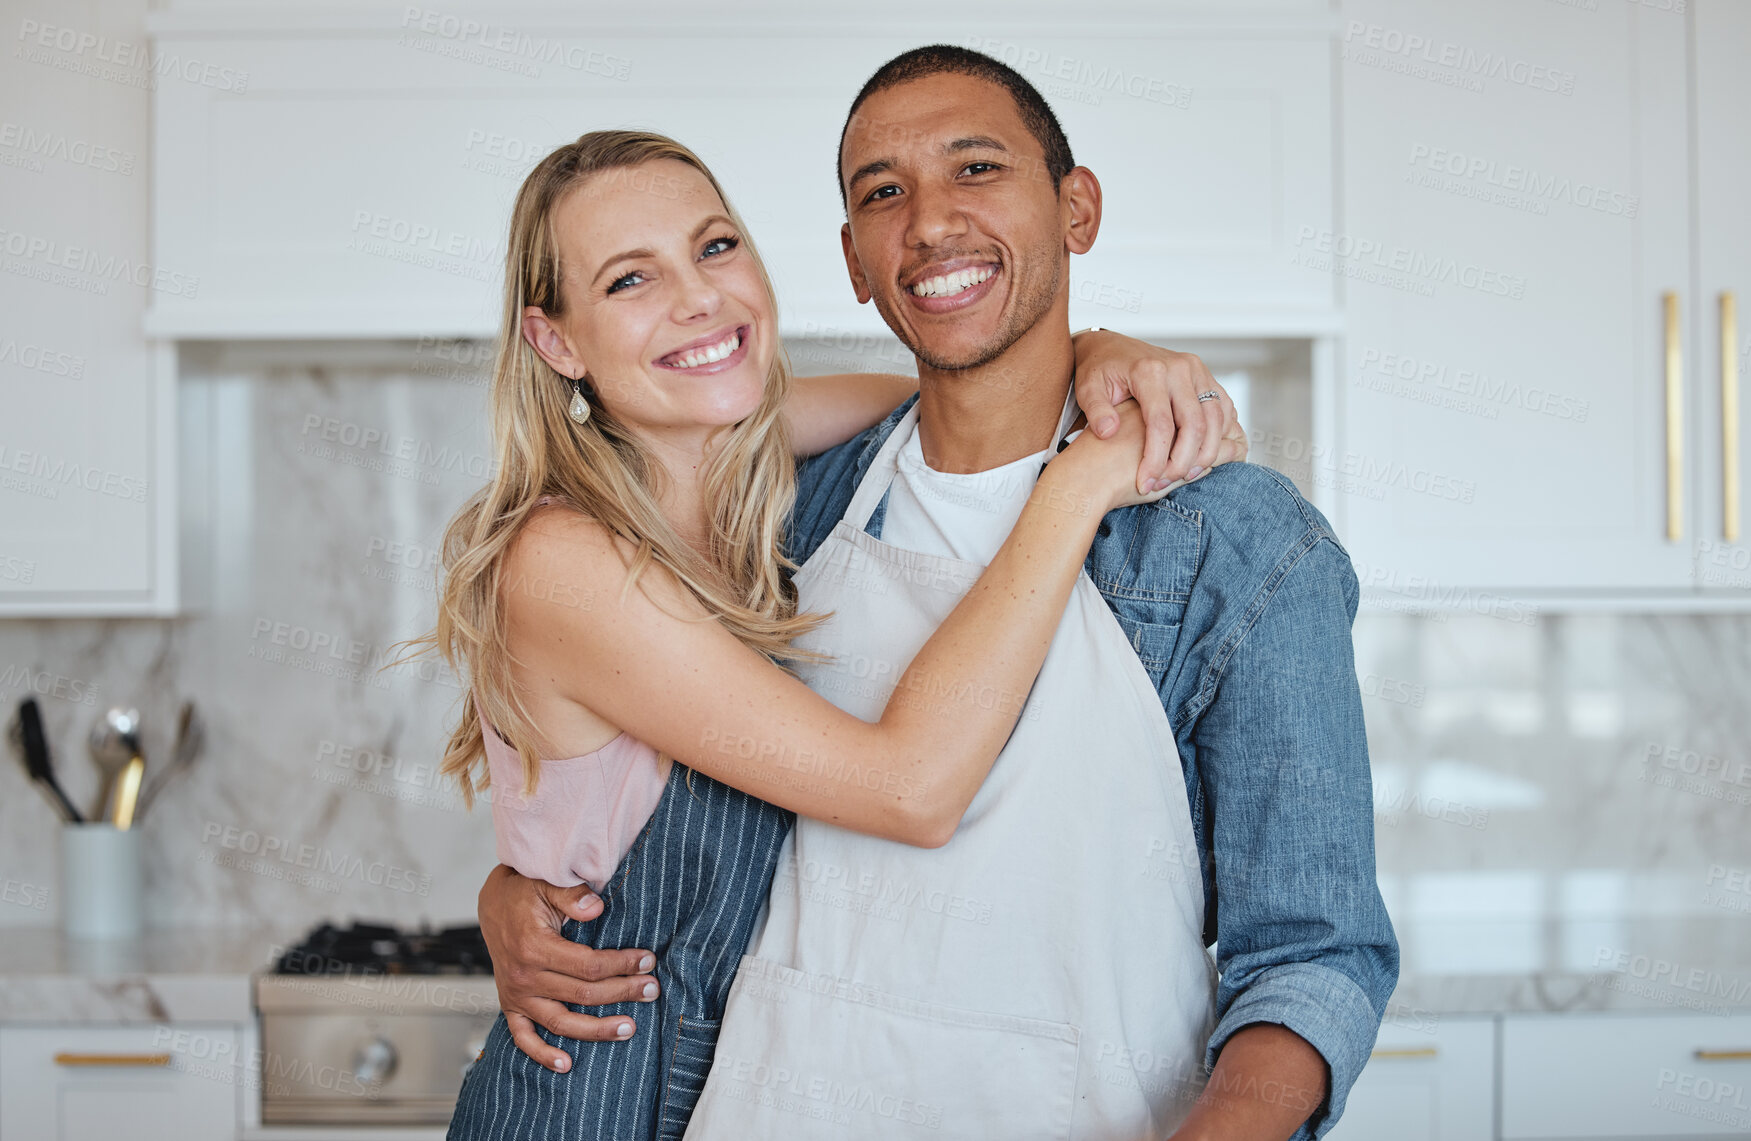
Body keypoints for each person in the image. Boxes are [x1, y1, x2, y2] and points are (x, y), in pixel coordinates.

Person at [477, 45, 1396, 1141]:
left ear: (1075, 209)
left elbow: (1310, 958)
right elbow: (874, 792)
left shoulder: (1236, 543)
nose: (929, 223)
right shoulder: (784, 504)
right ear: (856, 262)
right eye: (883, 194)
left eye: (975, 170)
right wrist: (505, 895)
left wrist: (1102, 357)